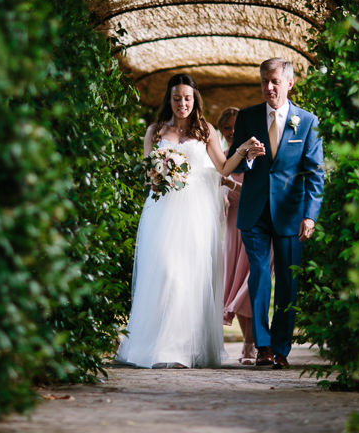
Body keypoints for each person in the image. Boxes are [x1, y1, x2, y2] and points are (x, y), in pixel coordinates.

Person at [115, 74, 264, 368]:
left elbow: (222, 167)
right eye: (176, 98)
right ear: (168, 101)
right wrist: (160, 175)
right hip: (164, 212)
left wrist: (244, 149)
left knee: (189, 278)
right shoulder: (155, 132)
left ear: (194, 100)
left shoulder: (206, 130)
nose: (182, 103)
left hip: (196, 213)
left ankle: (183, 349)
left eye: (187, 98)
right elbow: (148, 174)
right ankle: (159, 346)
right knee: (167, 273)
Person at [228, 58, 324, 369]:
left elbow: (315, 173)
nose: (268, 88)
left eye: (274, 82)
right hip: (254, 210)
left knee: (287, 282)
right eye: (264, 82)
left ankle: (282, 348)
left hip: (291, 214)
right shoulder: (247, 117)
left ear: (289, 84)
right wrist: (249, 158)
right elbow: (234, 162)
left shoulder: (307, 122)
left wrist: (310, 215)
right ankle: (263, 346)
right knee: (259, 277)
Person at [216, 107, 260, 365]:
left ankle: (255, 343)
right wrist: (221, 196)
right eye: (227, 128)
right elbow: (216, 186)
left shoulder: (256, 155)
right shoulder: (222, 157)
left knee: (251, 284)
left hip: (255, 224)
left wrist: (230, 185)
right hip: (232, 228)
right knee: (238, 286)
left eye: (236, 127)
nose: (232, 132)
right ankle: (248, 344)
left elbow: (255, 192)